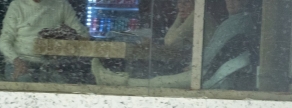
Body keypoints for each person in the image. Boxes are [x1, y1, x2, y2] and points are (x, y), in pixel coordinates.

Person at [92, 0, 259, 90]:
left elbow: (170, 41)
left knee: (157, 82)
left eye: (186, 3)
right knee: (157, 78)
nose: (231, 2)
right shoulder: (233, 21)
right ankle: (117, 79)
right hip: (206, 70)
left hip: (207, 74)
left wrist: (181, 16)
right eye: (179, 3)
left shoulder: (207, 17)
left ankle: (115, 81)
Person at [0, 0, 90, 83]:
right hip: (20, 61)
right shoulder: (17, 5)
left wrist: (75, 39)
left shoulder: (61, 4)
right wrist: (17, 61)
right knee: (25, 86)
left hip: (50, 65)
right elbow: (4, 41)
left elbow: (81, 32)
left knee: (62, 87)